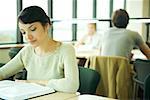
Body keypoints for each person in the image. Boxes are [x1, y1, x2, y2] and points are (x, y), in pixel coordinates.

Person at [0, 6, 79, 93]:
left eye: (33, 29)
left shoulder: (66, 49)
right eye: (23, 32)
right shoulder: (27, 51)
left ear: (46, 26)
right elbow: (2, 73)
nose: (28, 37)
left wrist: (33, 82)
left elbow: (72, 85)